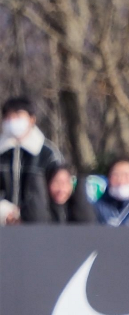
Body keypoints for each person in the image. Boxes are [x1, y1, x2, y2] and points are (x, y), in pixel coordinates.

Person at [0, 96, 63, 224]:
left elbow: (60, 188)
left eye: (18, 116)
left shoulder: (47, 153)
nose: (12, 121)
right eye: (8, 117)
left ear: (32, 119)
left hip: (40, 225)